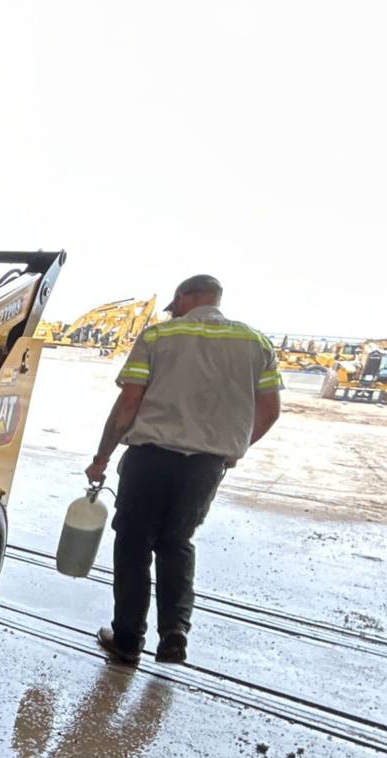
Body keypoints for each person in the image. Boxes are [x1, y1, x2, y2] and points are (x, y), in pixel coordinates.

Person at [85, 274, 282, 665]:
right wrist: (233, 450)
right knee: (176, 542)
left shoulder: (160, 337)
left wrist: (102, 456)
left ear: (182, 298)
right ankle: (174, 632)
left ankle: (127, 640)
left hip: (150, 459)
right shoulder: (256, 343)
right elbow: (270, 411)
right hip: (205, 466)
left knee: (133, 546)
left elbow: (128, 406)